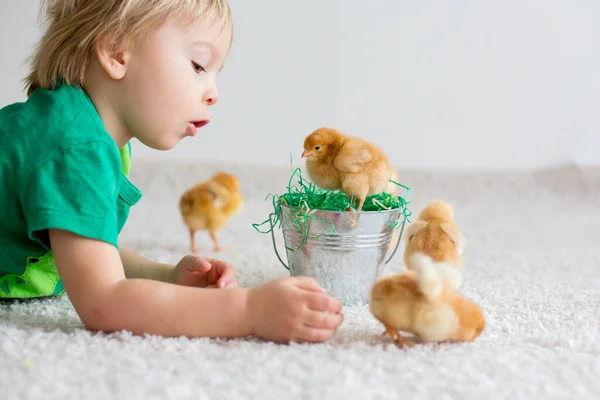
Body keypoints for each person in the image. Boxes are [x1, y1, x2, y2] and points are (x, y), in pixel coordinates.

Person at [0, 0, 343, 344]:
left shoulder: (86, 133)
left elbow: (82, 249)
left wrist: (164, 275)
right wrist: (249, 309)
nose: (214, 93)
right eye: (198, 65)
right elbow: (103, 303)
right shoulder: (74, 147)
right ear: (116, 52)